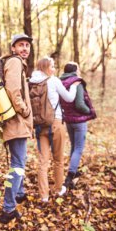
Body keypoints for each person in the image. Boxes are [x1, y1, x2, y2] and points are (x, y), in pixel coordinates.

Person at [29, 57, 79, 202]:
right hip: (56, 123)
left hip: (39, 126)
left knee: (43, 162)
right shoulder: (54, 80)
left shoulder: (32, 82)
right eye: (52, 66)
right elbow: (69, 98)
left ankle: (43, 195)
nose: (54, 69)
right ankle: (58, 189)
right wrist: (75, 86)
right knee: (58, 160)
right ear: (45, 68)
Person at [0, 34, 33, 224]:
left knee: (19, 160)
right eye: (21, 45)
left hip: (16, 121)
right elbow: (13, 90)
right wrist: (25, 110)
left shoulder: (18, 63)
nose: (25, 48)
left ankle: (19, 193)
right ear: (13, 48)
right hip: (16, 120)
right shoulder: (14, 62)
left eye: (27, 45)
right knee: (17, 165)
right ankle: (8, 209)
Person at [59, 62, 96, 189]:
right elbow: (79, 104)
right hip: (79, 121)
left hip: (69, 120)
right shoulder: (76, 83)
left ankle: (73, 174)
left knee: (74, 147)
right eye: (78, 68)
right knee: (79, 148)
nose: (79, 71)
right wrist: (88, 111)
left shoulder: (61, 82)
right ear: (75, 70)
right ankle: (70, 176)